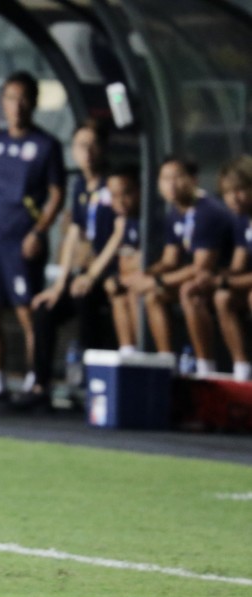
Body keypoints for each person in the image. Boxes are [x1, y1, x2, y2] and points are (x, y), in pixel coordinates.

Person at [0, 71, 66, 407]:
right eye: (10, 99)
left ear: (33, 102)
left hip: (24, 241)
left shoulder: (47, 145)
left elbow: (58, 194)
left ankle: (37, 383)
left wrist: (39, 232)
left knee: (27, 313)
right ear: (3, 102)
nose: (16, 106)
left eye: (23, 99)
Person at [15, 120, 116, 410]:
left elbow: (120, 233)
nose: (87, 152)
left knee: (86, 303)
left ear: (103, 148)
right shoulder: (81, 185)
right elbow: (74, 234)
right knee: (45, 309)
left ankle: (91, 384)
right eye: (81, 145)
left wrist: (93, 274)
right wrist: (58, 285)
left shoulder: (114, 183)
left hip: (106, 273)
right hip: (84, 273)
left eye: (92, 145)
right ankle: (39, 384)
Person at [122, 156, 233, 373]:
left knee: (187, 292)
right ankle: (166, 363)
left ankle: (205, 366)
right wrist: (143, 275)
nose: (171, 184)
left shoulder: (208, 211)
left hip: (217, 279)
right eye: (165, 178)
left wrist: (156, 280)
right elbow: (169, 259)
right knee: (150, 294)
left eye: (178, 177)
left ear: (193, 179)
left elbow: (202, 267)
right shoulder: (174, 212)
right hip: (192, 278)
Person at [191, 156, 252, 380]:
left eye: (240, 190)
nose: (233, 198)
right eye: (227, 193)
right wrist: (213, 277)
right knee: (219, 297)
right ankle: (240, 368)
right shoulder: (241, 220)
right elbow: (238, 265)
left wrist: (225, 281)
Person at [102, 167, 144, 352]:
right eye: (113, 195)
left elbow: (145, 262)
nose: (120, 201)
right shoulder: (122, 222)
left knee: (134, 293)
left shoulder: (150, 218)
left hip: (146, 282)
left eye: (126, 194)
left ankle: (144, 351)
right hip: (129, 280)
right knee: (117, 293)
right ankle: (128, 352)